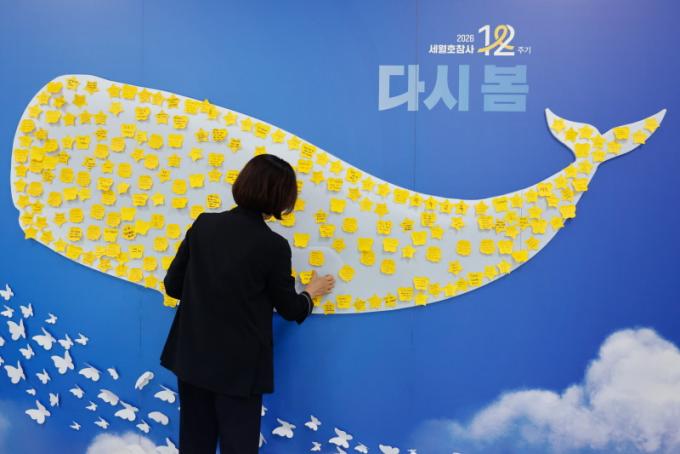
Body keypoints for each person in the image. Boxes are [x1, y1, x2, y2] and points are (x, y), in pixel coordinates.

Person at [160, 154, 335, 453]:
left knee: (194, 444)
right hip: (239, 371)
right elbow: (291, 309)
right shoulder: (273, 246)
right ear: (281, 198)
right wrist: (310, 292)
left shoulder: (204, 224)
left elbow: (173, 286)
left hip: (192, 358)